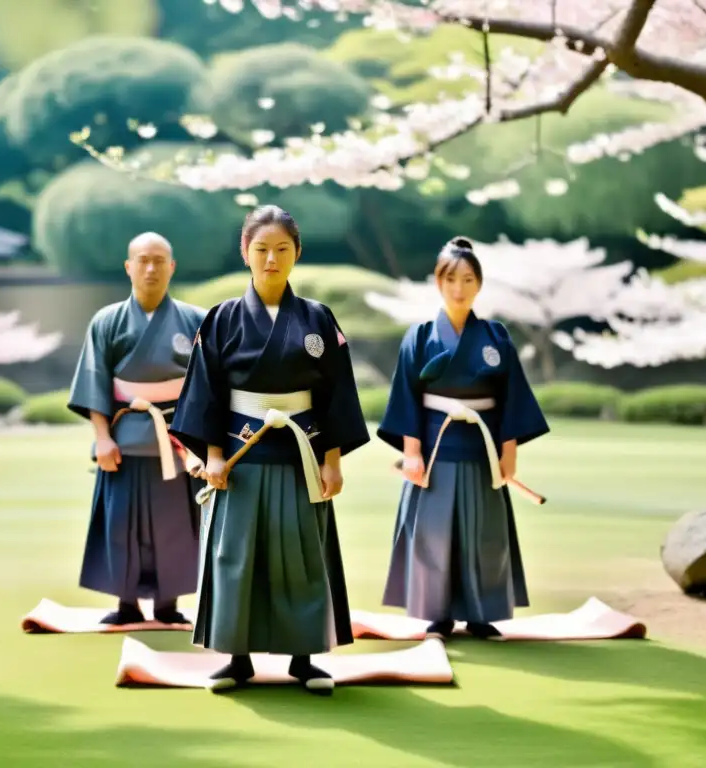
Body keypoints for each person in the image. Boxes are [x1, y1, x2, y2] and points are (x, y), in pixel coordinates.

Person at [169, 205, 369, 695]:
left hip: (303, 453)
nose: (271, 259)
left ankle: (304, 659)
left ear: (297, 253)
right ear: (245, 253)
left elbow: (336, 394)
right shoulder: (222, 319)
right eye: (261, 250)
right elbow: (206, 393)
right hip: (241, 453)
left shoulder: (318, 318)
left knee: (301, 555)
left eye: (282, 249)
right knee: (237, 555)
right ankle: (237, 659)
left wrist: (333, 462)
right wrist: (212, 455)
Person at [376, 236, 549, 640]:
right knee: (434, 534)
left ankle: (480, 611)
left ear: (479, 284)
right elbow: (405, 398)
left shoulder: (496, 337)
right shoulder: (419, 337)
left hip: (483, 449)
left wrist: (509, 453)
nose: (459, 287)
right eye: (451, 279)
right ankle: (437, 613)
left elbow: (512, 399)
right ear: (438, 282)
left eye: (468, 279)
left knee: (484, 534)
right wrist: (412, 453)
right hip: (435, 448)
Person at [67, 232, 207, 627]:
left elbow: (206, 387)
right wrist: (102, 437)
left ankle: (168, 604)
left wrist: (200, 443)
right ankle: (125, 603)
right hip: (125, 438)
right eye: (143, 260)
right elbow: (94, 379)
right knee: (120, 526)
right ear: (128, 266)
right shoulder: (107, 321)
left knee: (175, 527)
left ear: (172, 267)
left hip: (177, 441)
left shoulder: (195, 320)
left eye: (159, 260)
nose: (150, 268)